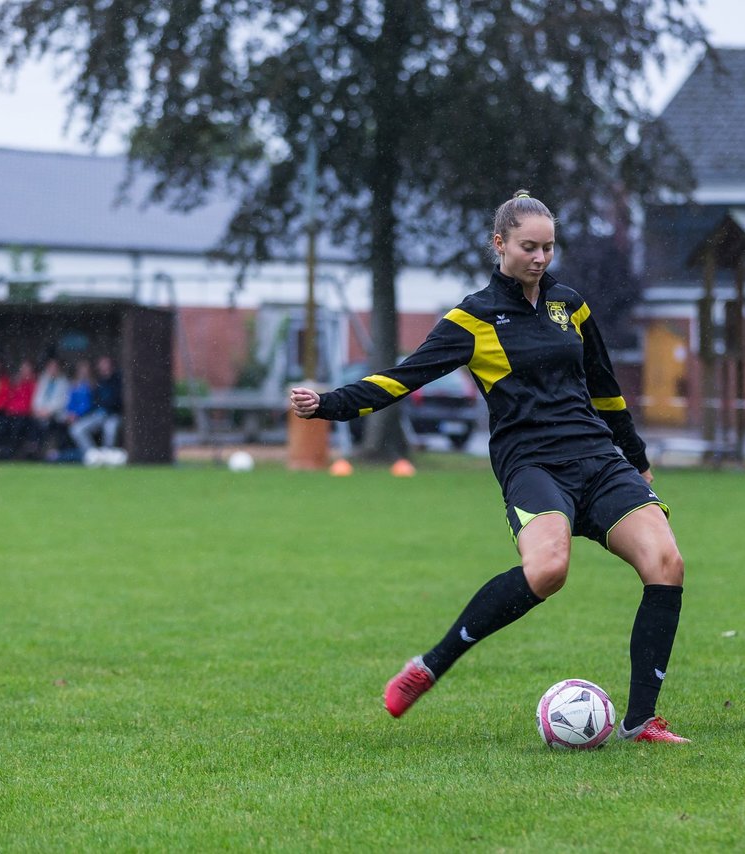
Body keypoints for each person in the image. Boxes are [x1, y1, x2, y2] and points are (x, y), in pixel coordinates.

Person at [291, 190, 688, 743]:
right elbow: (404, 377)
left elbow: (605, 388)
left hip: (598, 459)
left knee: (666, 561)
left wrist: (636, 459)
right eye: (529, 246)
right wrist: (328, 404)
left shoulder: (570, 305)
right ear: (498, 244)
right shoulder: (472, 318)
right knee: (549, 570)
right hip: (532, 465)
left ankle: (640, 721)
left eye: (549, 247)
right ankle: (430, 665)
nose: (541, 258)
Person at [70, 355, 122, 452]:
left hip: (113, 415)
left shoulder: (118, 380)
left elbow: (117, 401)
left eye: (105, 363)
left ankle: (107, 456)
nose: (103, 366)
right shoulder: (98, 383)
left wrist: (108, 409)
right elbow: (93, 404)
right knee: (76, 429)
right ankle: (93, 455)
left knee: (110, 430)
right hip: (98, 415)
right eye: (101, 364)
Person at [31, 358, 70, 458]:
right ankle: (34, 449)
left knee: (53, 426)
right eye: (50, 367)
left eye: (54, 367)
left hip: (56, 415)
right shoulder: (43, 380)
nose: (52, 370)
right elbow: (37, 397)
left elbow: (62, 402)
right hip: (40, 414)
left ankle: (51, 452)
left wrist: (48, 411)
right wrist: (39, 410)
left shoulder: (64, 382)